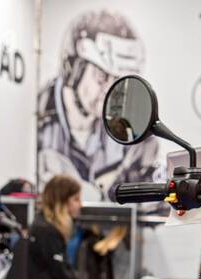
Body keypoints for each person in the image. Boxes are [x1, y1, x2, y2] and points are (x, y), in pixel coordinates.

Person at [35, 10, 160, 201]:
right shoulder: (36, 119)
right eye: (102, 76)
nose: (111, 90)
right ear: (73, 69)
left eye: (119, 80)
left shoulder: (135, 138)